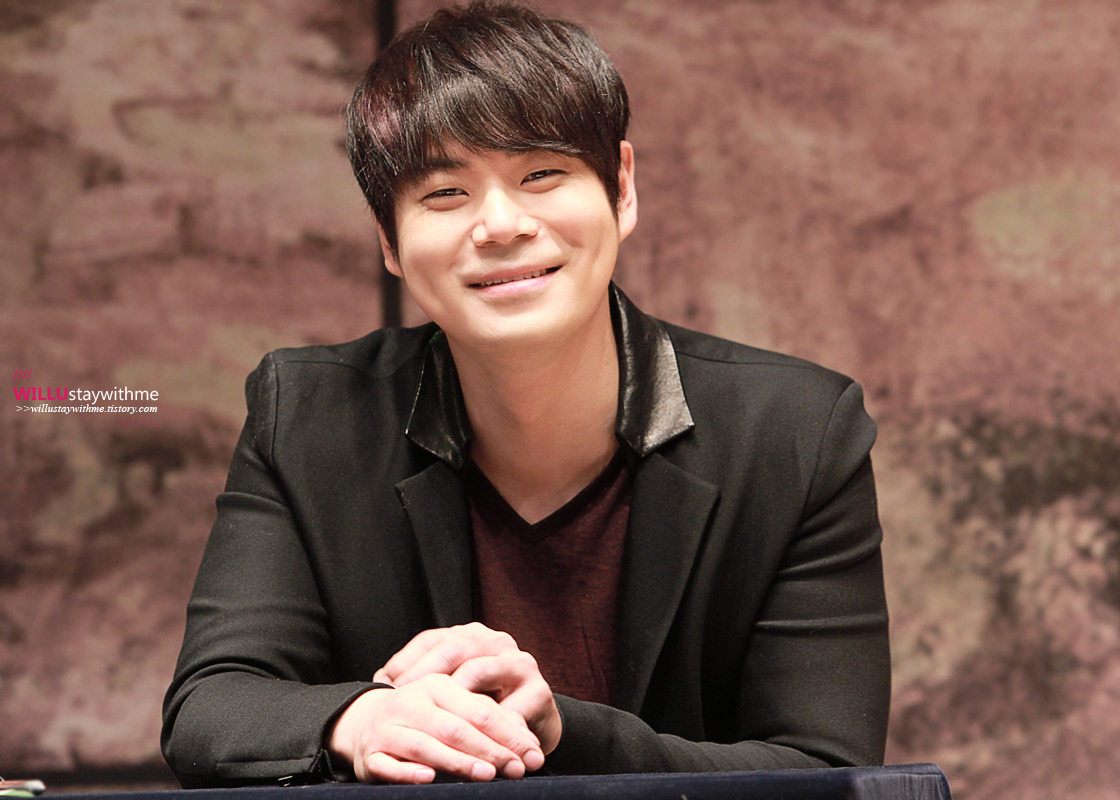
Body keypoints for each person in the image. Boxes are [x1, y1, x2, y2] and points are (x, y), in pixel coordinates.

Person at [161, 0, 890, 787]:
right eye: (445, 193)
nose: (502, 225)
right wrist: (362, 719)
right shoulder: (309, 419)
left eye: (542, 175)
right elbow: (211, 706)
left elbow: (825, 769)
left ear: (622, 188)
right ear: (387, 240)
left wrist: (565, 733)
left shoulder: (795, 433)